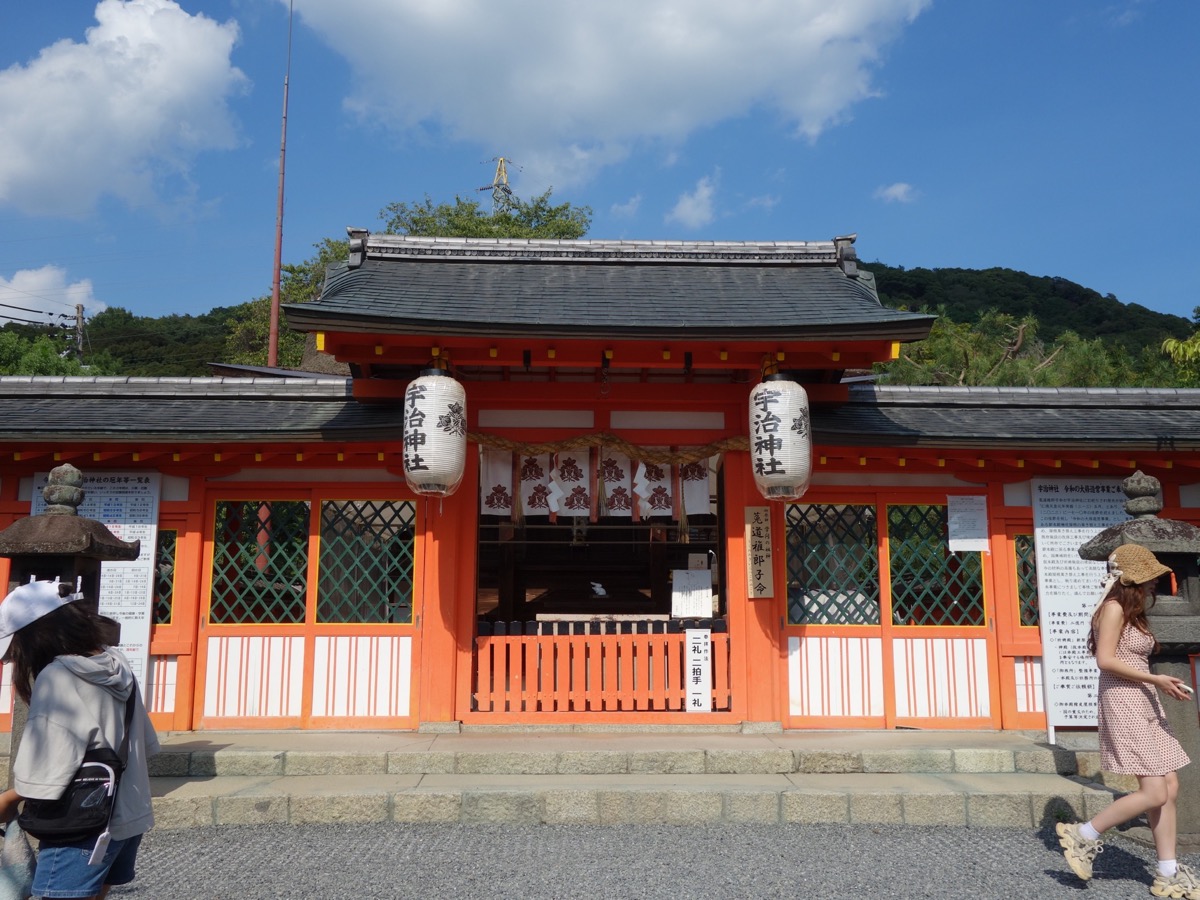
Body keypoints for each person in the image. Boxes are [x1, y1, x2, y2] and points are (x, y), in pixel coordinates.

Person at [0, 579, 158, 900]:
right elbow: (147, 742)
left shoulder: (57, 677)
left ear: (36, 635)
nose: (17, 660)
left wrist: (8, 800)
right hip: (128, 815)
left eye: (16, 649)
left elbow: (45, 775)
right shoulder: (117, 662)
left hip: (82, 827)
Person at [1057, 544, 1196, 899]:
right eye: (1150, 579)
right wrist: (1156, 679)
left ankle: (1168, 873)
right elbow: (1105, 660)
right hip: (1123, 701)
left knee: (1170, 785)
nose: (1154, 585)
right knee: (1154, 791)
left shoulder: (1131, 613)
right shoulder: (1114, 608)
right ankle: (1083, 834)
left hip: (1143, 700)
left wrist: (1158, 685)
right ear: (1132, 580)